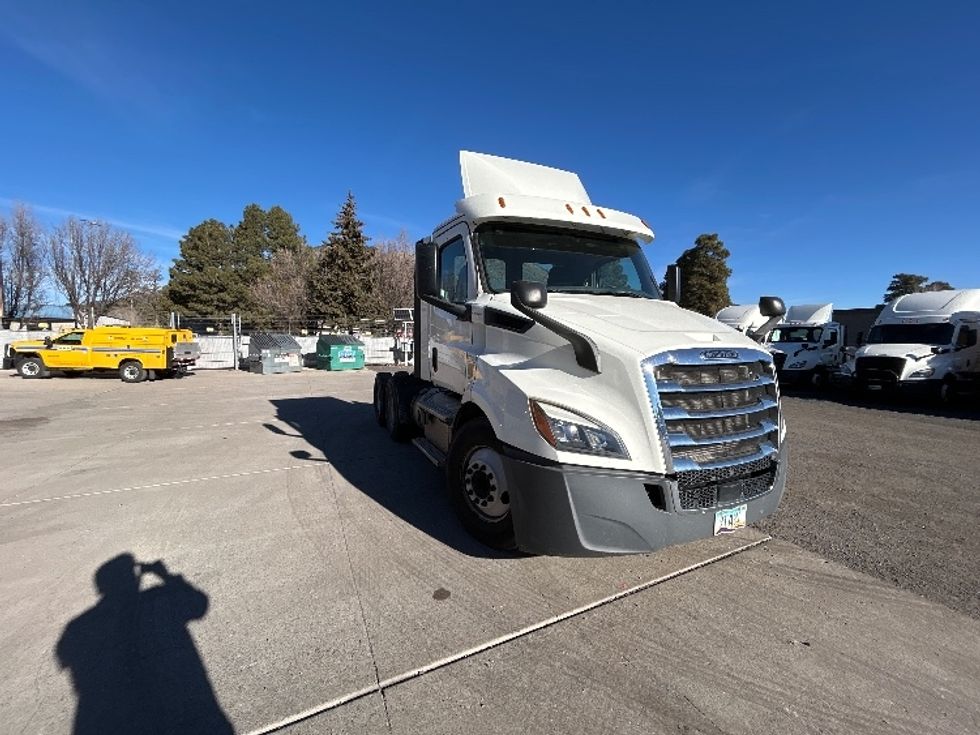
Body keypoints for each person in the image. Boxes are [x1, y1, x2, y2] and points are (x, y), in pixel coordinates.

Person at [56, 554, 233, 735]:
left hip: (121, 721)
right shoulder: (158, 599)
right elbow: (199, 604)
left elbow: (66, 658)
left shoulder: (80, 626)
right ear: (134, 577)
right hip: (185, 712)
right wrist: (165, 575)